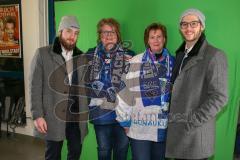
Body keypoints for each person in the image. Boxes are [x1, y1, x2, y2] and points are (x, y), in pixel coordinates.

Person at [165, 8, 228, 160]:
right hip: (177, 133)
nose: (188, 28)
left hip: (195, 136)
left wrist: (192, 121)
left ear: (202, 26)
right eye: (184, 24)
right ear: (180, 28)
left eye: (194, 23)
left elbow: (220, 97)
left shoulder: (214, 55)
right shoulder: (180, 55)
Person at [29, 16, 88, 160]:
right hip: (52, 116)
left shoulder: (81, 57)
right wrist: (38, 115)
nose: (72, 37)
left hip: (76, 116)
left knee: (75, 152)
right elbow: (34, 86)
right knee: (53, 155)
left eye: (76, 33)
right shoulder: (43, 54)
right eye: (69, 31)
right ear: (60, 31)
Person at [115, 22, 175, 160]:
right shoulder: (135, 62)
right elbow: (123, 92)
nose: (156, 40)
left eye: (159, 36)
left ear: (164, 39)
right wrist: (124, 120)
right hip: (139, 126)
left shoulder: (173, 63)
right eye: (152, 37)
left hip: (163, 127)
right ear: (147, 40)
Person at [85, 18, 134, 160]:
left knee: (122, 150)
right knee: (104, 150)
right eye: (105, 32)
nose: (109, 36)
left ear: (118, 35)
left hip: (124, 114)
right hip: (101, 114)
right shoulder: (90, 54)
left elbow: (133, 84)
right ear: (100, 36)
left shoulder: (129, 54)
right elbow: (85, 83)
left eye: (112, 32)